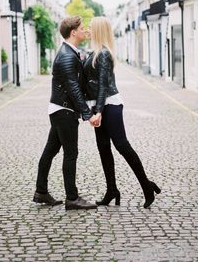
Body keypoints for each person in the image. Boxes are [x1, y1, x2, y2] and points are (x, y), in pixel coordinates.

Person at [83, 16, 161, 208]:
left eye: (92, 27)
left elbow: (102, 85)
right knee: (103, 147)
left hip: (109, 105)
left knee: (122, 145)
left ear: (99, 30)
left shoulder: (104, 54)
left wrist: (99, 111)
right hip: (98, 105)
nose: (89, 30)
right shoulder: (95, 52)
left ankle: (146, 186)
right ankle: (112, 190)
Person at [33, 16, 98, 210]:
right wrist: (88, 114)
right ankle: (72, 198)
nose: (85, 30)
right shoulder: (67, 56)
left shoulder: (69, 52)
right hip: (64, 111)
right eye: (82, 28)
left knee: (50, 150)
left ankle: (41, 191)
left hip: (59, 109)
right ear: (73, 32)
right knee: (71, 153)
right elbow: (73, 89)